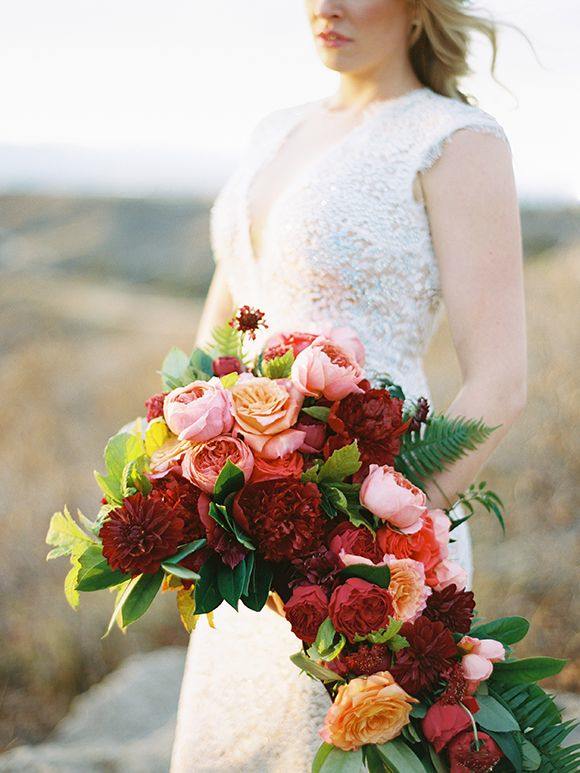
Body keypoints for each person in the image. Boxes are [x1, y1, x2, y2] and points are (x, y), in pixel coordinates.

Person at [170, 1, 526, 770]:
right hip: (245, 538)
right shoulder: (276, 130)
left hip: (363, 552)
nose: (327, 5)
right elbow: (220, 337)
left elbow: (501, 379)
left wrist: (368, 544)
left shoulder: (455, 142)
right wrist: (181, 489)